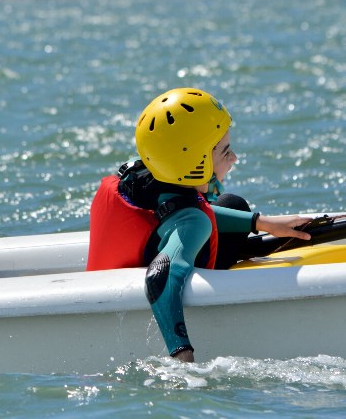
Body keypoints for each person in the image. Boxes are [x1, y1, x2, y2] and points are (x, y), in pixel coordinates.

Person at [86, 88, 312, 362]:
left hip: (106, 276)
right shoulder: (193, 224)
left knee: (231, 206)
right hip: (130, 299)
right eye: (226, 151)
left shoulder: (140, 178)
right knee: (234, 203)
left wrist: (261, 223)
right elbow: (160, 278)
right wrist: (182, 352)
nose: (235, 159)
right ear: (195, 162)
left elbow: (176, 213)